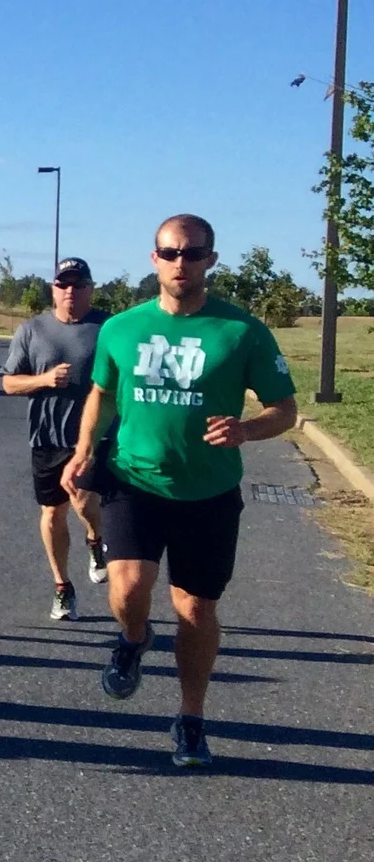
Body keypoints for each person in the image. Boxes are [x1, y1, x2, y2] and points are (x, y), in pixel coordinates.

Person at [62, 214, 297, 769]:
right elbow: (102, 395)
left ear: (211, 260)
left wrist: (246, 430)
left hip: (209, 493)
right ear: (154, 259)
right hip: (133, 479)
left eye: (192, 254)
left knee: (194, 609)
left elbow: (285, 410)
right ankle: (134, 638)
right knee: (128, 590)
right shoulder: (122, 328)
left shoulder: (242, 332)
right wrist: (82, 450)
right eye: (169, 253)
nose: (180, 264)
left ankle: (190, 719)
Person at [0, 257, 111, 621]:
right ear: (53, 289)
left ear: (91, 289)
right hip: (47, 437)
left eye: (78, 285)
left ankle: (95, 539)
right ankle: (63, 587)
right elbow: (9, 382)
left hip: (94, 439)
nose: (70, 292)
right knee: (51, 513)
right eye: (63, 285)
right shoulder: (32, 331)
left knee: (81, 498)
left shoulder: (108, 328)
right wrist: (43, 380)